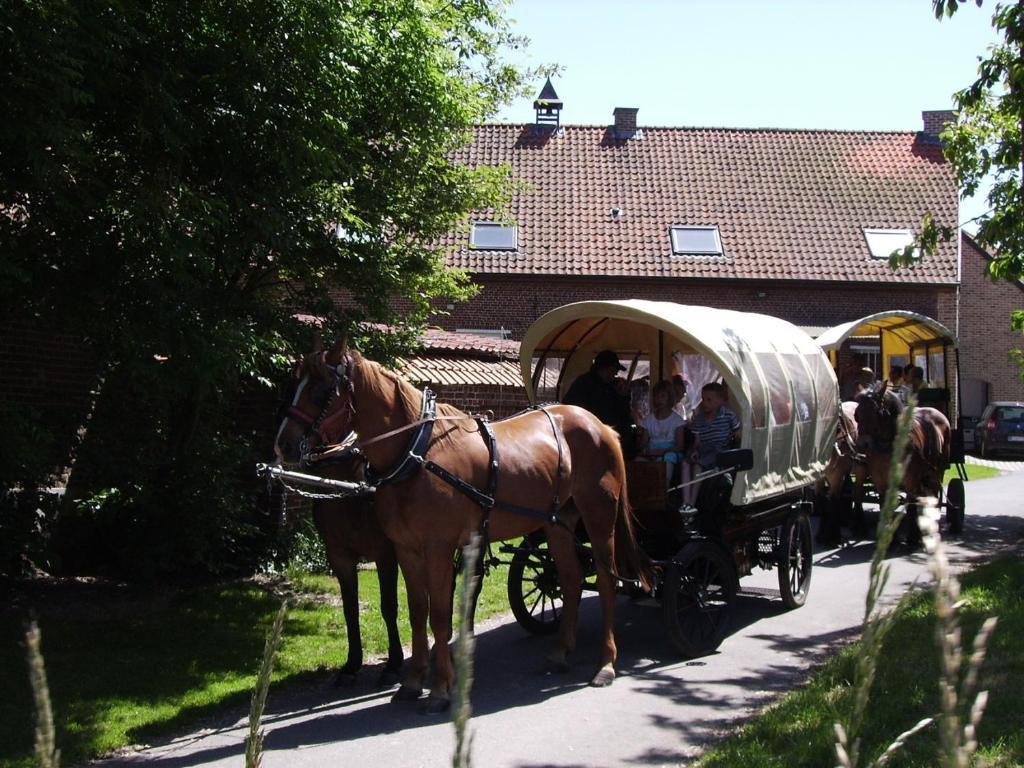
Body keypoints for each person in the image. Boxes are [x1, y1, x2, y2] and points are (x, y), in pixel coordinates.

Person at [685, 382, 741, 515]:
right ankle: (685, 501)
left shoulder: (728, 415)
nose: (705, 403)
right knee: (685, 463)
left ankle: (691, 504)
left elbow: (738, 431)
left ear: (720, 401)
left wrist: (735, 437)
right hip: (704, 450)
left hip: (719, 451)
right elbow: (697, 442)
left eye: (709, 400)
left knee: (698, 466)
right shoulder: (699, 419)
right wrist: (695, 450)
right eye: (703, 399)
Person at [563, 349, 633, 438]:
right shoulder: (584, 384)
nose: (615, 373)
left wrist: (624, 396)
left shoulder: (612, 386)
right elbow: (571, 410)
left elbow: (622, 414)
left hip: (609, 435)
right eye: (614, 370)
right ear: (605, 369)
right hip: (588, 436)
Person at [637, 380, 688, 485]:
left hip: (669, 452)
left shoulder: (677, 421)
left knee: (666, 462)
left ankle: (664, 491)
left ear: (670, 398)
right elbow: (643, 442)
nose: (659, 400)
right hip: (651, 452)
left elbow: (680, 446)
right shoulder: (648, 420)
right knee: (638, 461)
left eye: (663, 396)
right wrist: (643, 448)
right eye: (656, 396)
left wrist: (662, 451)